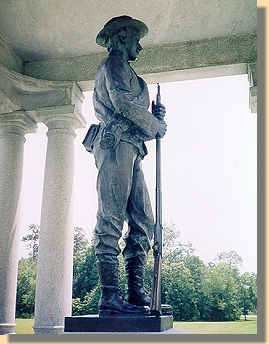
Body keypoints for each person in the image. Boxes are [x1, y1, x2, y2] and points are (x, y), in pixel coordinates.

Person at [83, 15, 167, 316]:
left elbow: (140, 118)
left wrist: (156, 120)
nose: (140, 47)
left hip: (132, 148)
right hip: (115, 145)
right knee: (111, 218)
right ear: (121, 38)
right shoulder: (113, 65)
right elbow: (123, 105)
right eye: (136, 39)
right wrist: (154, 124)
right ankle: (110, 295)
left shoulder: (132, 74)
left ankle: (136, 292)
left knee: (143, 219)